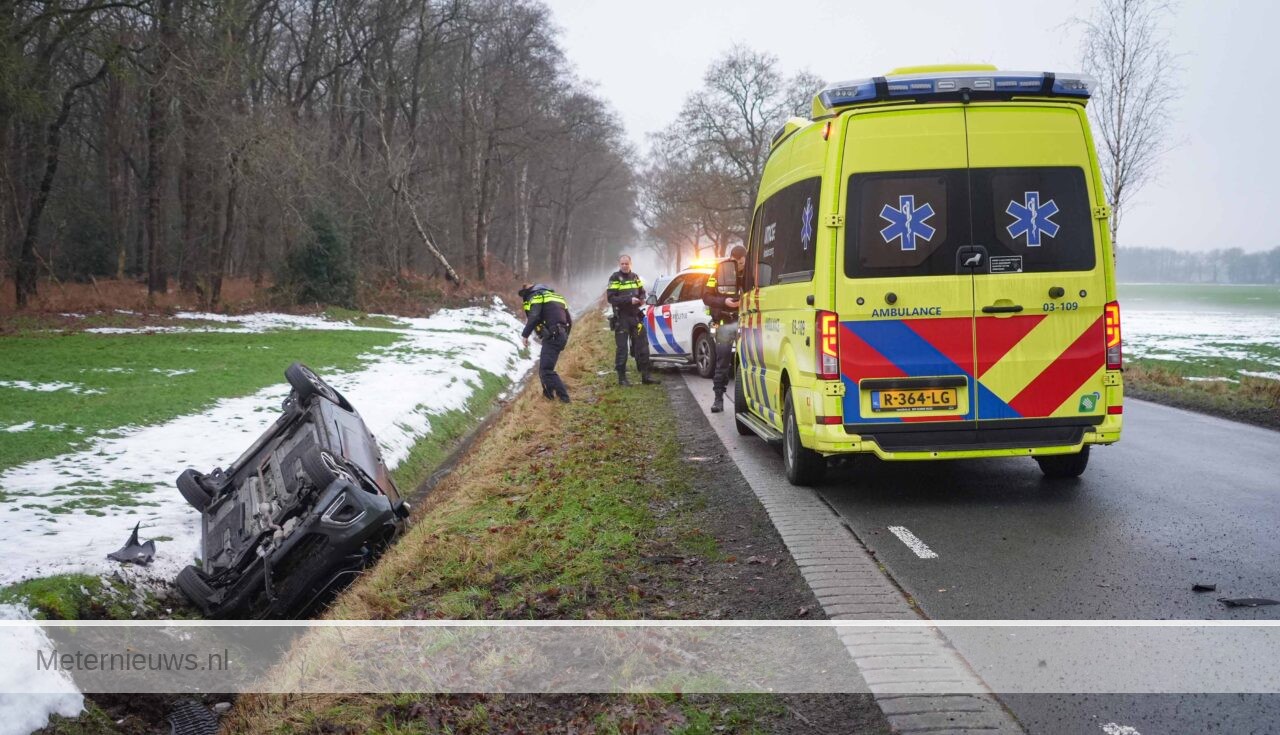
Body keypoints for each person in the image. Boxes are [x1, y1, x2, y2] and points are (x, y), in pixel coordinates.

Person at [703, 245, 747, 413]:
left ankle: (747, 400)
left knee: (748, 360)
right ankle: (718, 399)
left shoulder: (752, 272)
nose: (738, 266)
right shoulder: (719, 272)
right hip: (724, 320)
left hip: (745, 321)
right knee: (722, 360)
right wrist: (724, 302)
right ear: (731, 259)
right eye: (736, 262)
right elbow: (706, 296)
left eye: (741, 263)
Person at [606, 254, 658, 386]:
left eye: (627, 264)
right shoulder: (614, 277)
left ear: (631, 264)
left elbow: (642, 291)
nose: (624, 266)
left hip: (635, 317)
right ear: (619, 264)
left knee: (643, 346)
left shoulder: (635, 277)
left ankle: (646, 376)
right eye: (622, 264)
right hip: (622, 318)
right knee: (622, 349)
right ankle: (622, 378)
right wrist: (629, 300)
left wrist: (642, 298)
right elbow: (611, 298)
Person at [519, 283, 572, 403]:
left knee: (546, 371)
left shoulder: (537, 296)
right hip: (560, 335)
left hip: (553, 336)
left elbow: (534, 317)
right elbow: (569, 320)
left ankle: (564, 398)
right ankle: (549, 396)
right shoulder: (557, 296)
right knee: (545, 369)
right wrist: (565, 336)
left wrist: (525, 335)